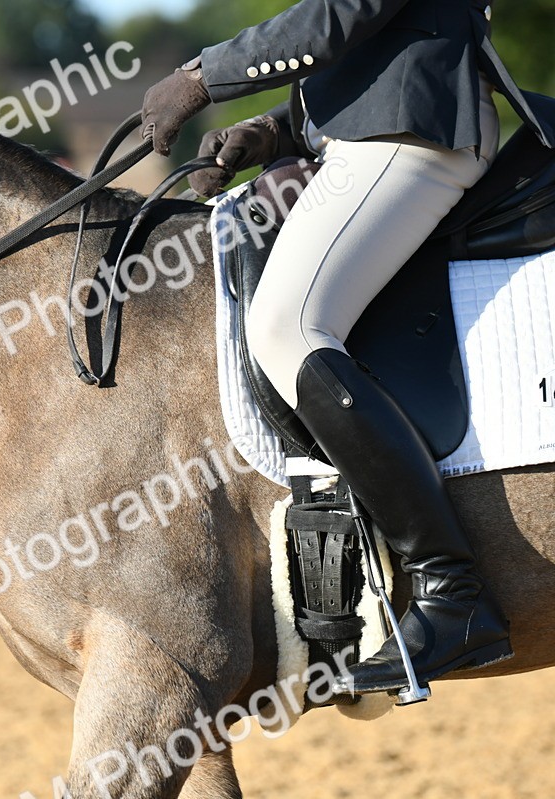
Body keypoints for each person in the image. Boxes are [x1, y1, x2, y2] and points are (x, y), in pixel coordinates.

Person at [139, 0, 555, 694]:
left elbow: (343, 12)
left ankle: (451, 591)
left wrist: (202, 76)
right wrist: (279, 128)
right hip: (377, 128)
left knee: (286, 327)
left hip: (410, 129)